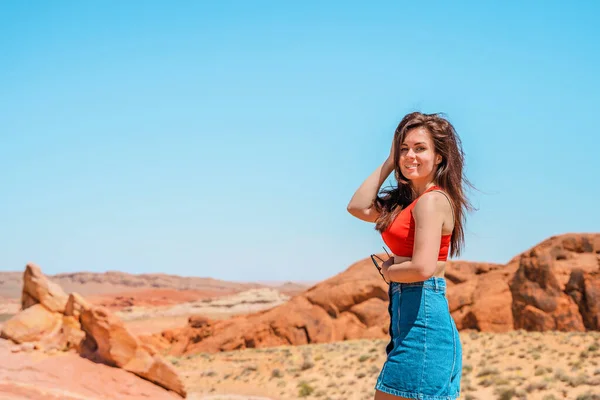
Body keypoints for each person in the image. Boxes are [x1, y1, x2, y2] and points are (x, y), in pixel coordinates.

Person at [347, 112, 472, 400]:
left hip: (424, 326)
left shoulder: (431, 201)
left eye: (420, 148)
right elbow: (357, 207)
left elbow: (422, 268)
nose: (410, 156)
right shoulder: (406, 204)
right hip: (411, 323)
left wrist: (390, 271)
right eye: (404, 148)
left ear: (439, 156)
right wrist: (390, 161)